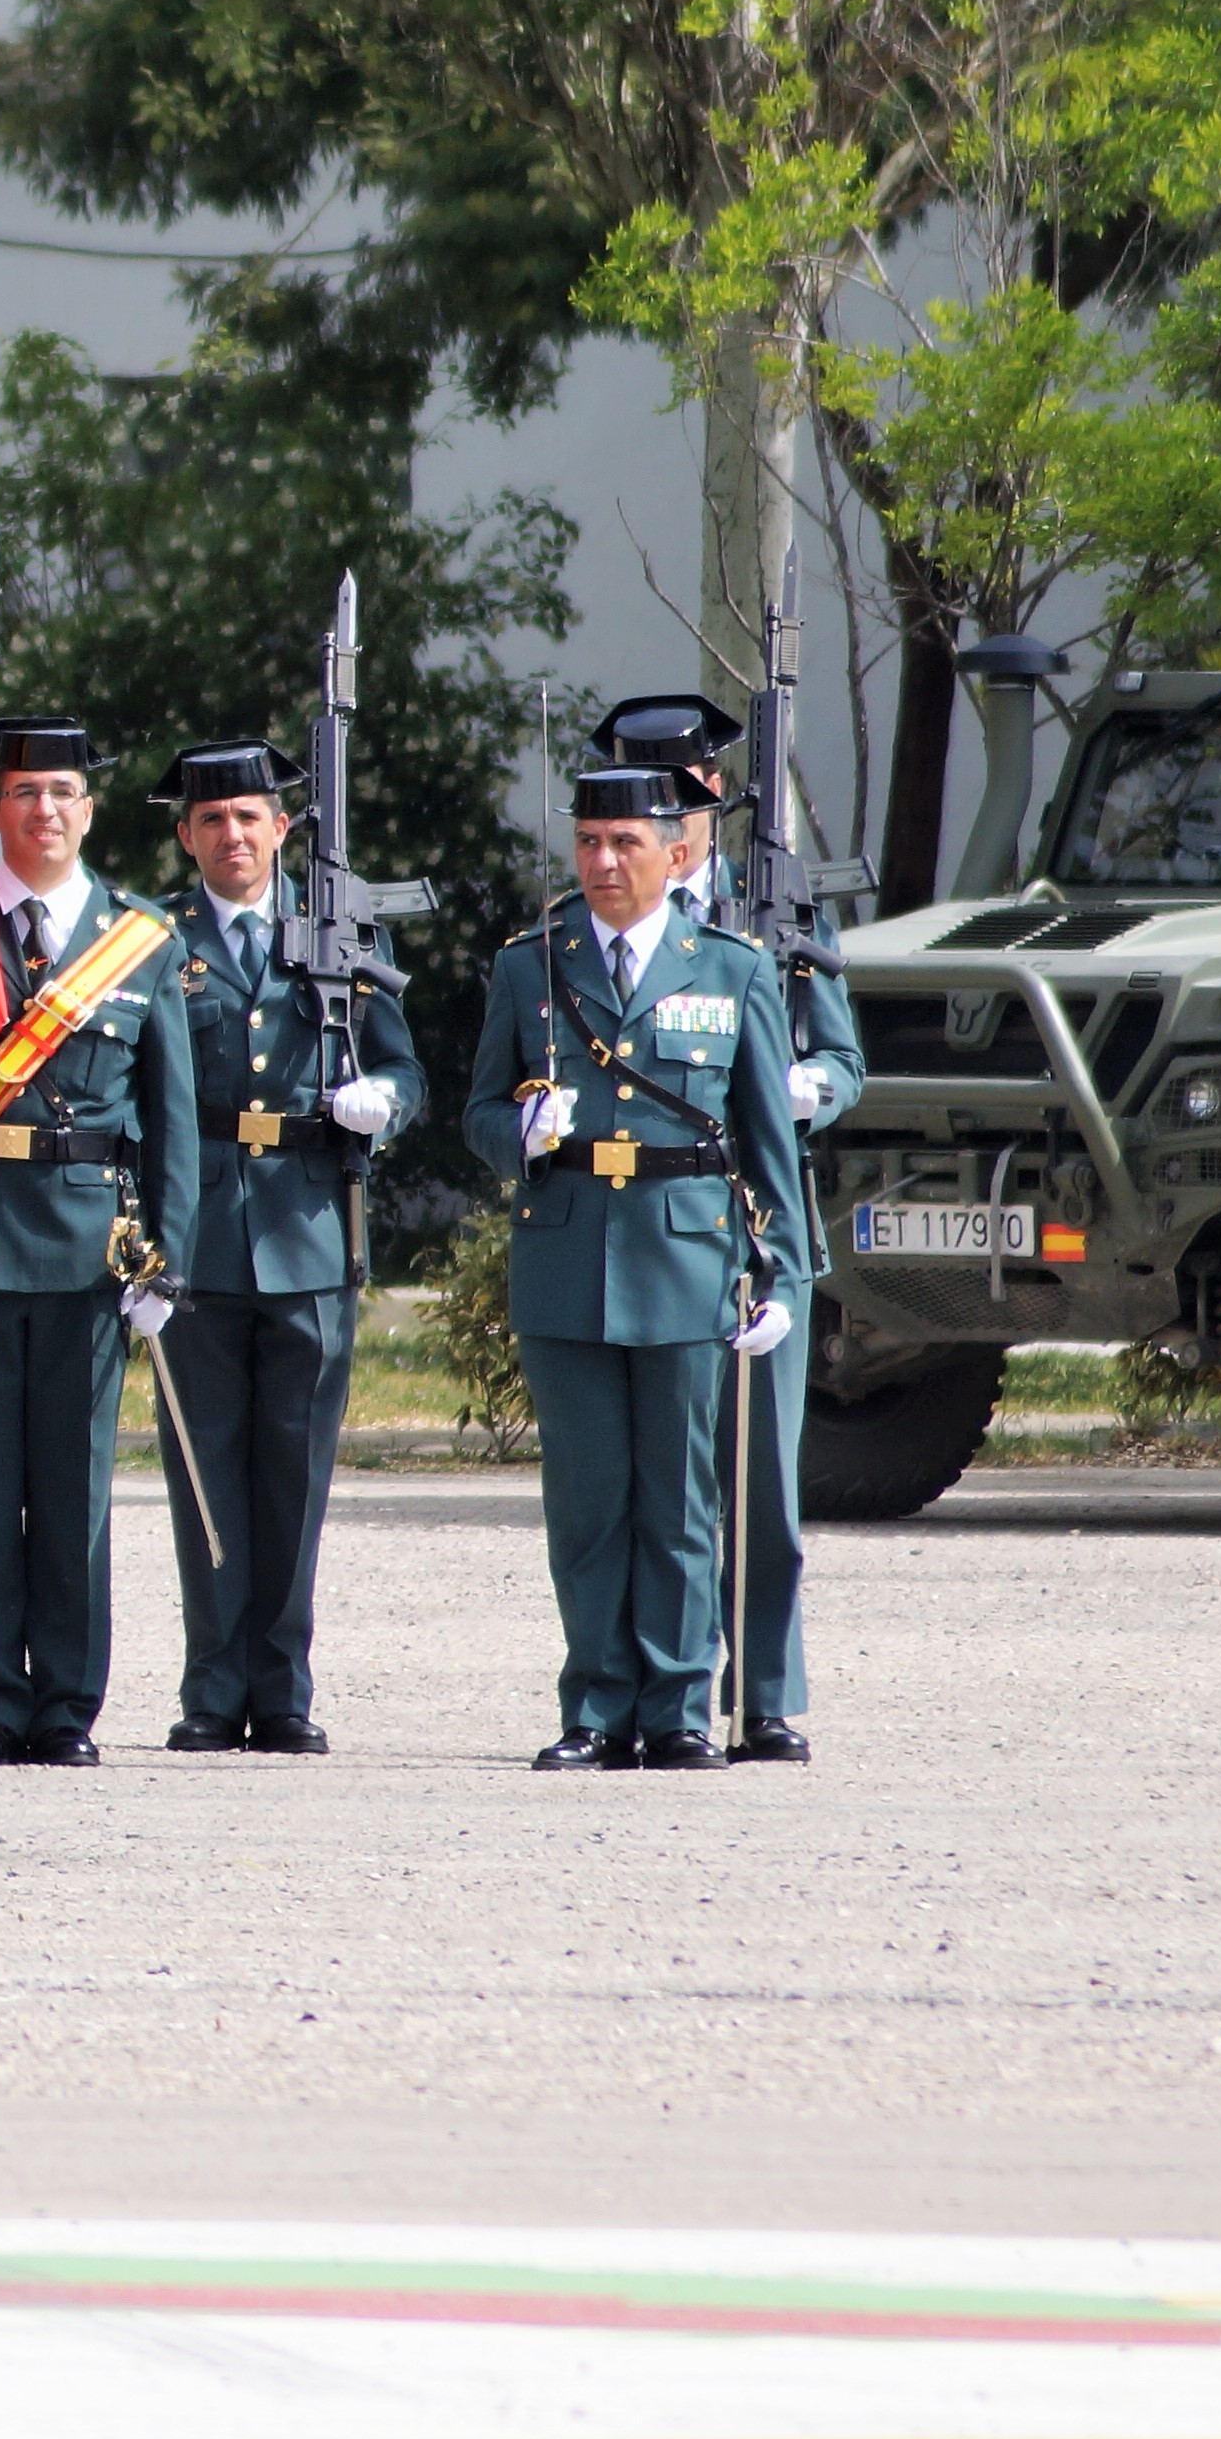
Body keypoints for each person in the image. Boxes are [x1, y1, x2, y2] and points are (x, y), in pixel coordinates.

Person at [461, 765, 808, 1770]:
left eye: (624, 843)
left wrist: (777, 1274)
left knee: (677, 1498)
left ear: (674, 852)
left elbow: (762, 1143)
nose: (603, 862)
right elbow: (477, 1112)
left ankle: (677, 1707)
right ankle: (594, 1707)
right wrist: (517, 1131)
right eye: (588, 843)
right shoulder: (531, 965)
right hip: (567, 1255)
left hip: (684, 1255)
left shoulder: (728, 968)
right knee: (585, 1498)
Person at [0, 710, 197, 1765]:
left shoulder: (140, 937)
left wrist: (169, 1254)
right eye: (22, 792)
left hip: (87, 1250)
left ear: (89, 807)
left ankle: (65, 1704)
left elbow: (171, 1114)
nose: (42, 810)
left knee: (74, 1490)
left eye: (61, 792)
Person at [598, 690, 864, 1760]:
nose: (652, 818)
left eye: (674, 795)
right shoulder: (606, 902)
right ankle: (647, 1695)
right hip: (650, 1230)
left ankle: (762, 1692)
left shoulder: (780, 912)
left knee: (757, 1476)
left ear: (709, 797)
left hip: (755, 1224)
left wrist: (801, 1086)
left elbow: (843, 1061)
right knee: (653, 1482)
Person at [147, 740, 424, 1752]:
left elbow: (403, 1069)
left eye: (249, 817)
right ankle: (211, 1689)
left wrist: (378, 1101)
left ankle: (284, 1685)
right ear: (185, 836)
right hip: (198, 1235)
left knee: (293, 1474)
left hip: (306, 1228)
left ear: (280, 829)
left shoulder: (336, 933)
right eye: (211, 819)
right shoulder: (153, 941)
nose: (232, 834)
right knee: (203, 1468)